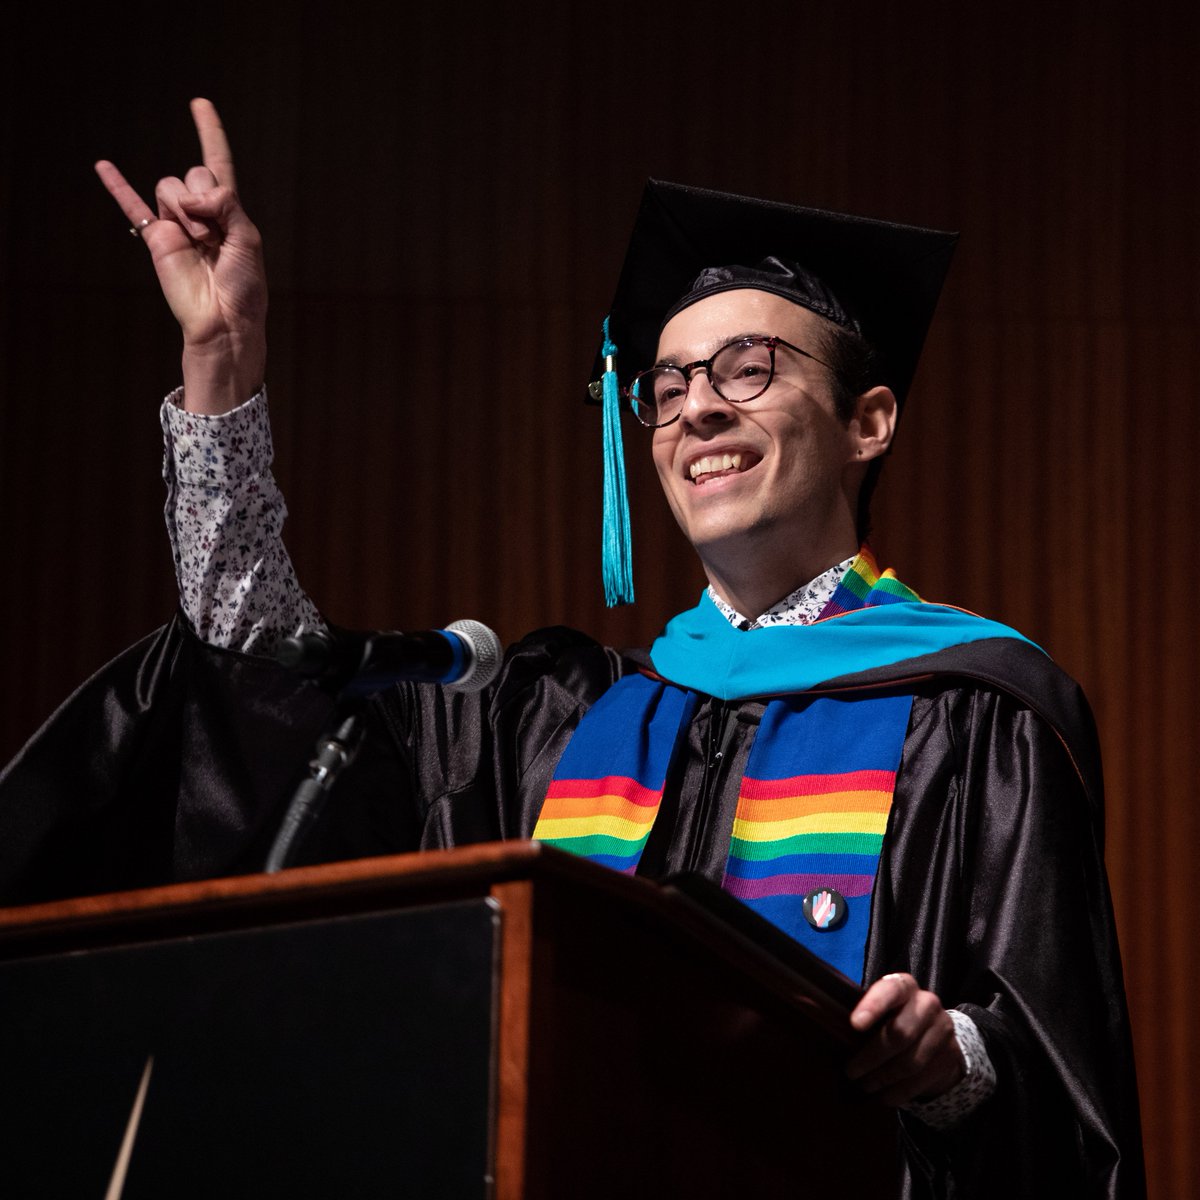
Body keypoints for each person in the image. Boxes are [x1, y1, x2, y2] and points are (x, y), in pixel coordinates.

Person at [0, 100, 1143, 1197]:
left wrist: (950, 1057)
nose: (697, 409)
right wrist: (223, 363)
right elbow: (259, 669)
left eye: (749, 369)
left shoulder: (981, 713)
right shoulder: (559, 715)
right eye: (670, 383)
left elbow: (1061, 1080)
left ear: (869, 421)